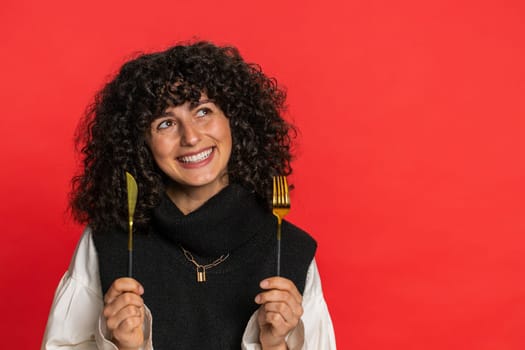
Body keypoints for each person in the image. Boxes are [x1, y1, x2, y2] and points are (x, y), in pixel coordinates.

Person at [42, 41, 336, 349]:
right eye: (166, 123)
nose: (191, 137)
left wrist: (275, 345)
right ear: (141, 143)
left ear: (234, 120)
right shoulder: (108, 241)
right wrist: (124, 347)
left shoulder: (289, 250)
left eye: (203, 111)